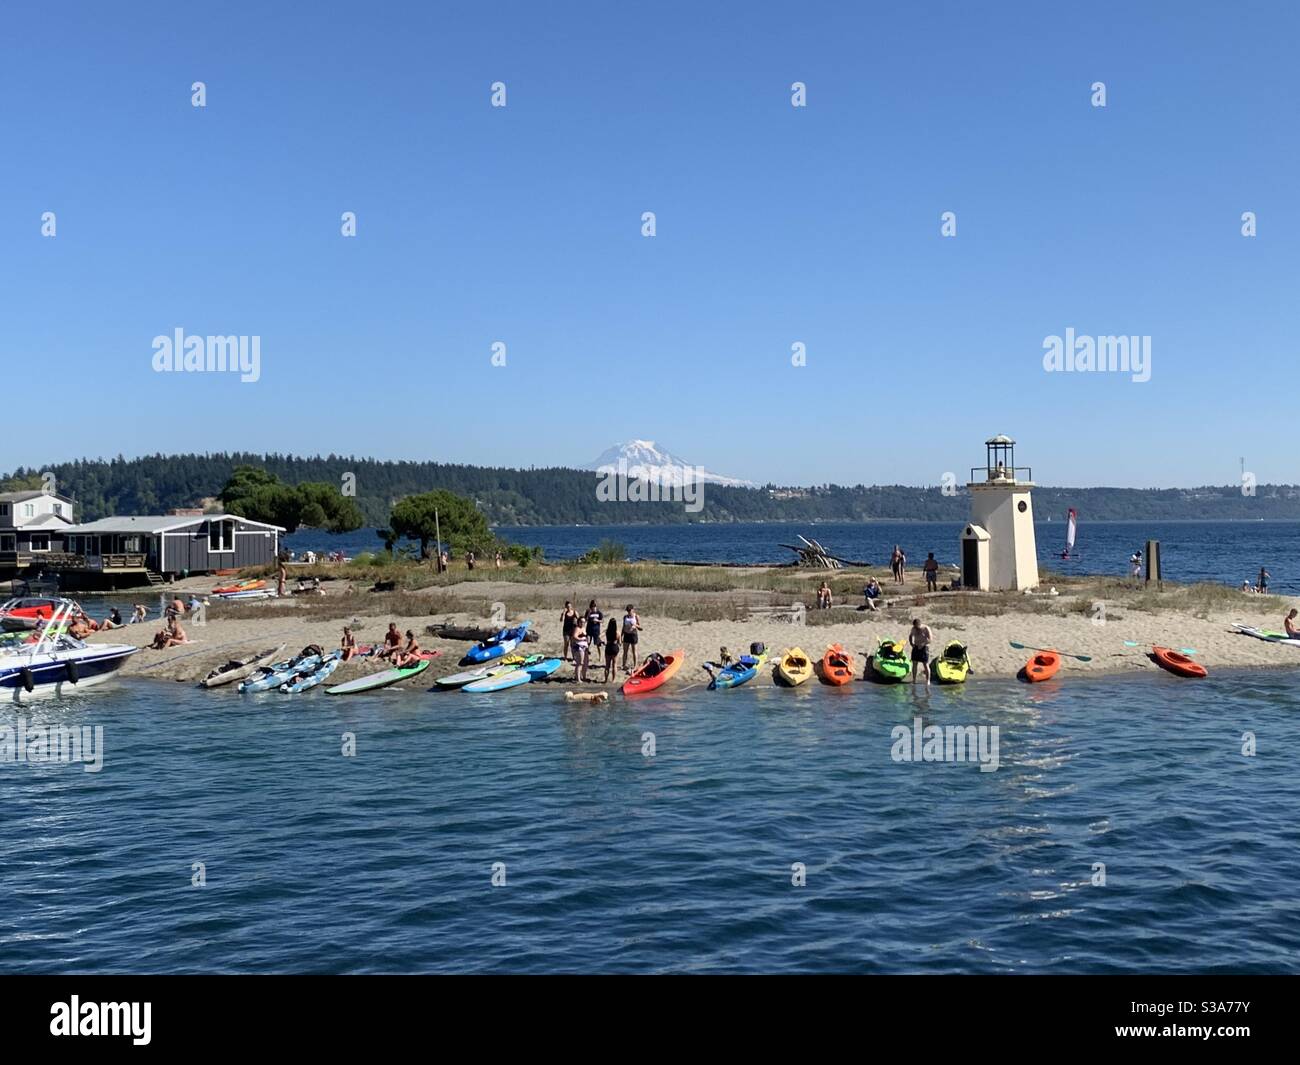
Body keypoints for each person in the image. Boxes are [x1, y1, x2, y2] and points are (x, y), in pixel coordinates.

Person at [908, 617, 932, 688]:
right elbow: (910, 636)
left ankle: (928, 680)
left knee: (925, 664)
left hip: (924, 647)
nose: (916, 628)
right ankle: (914, 679)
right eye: (915, 626)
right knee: (914, 663)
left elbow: (930, 639)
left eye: (917, 626)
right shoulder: (913, 629)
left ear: (919, 624)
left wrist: (923, 644)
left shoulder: (926, 628)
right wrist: (911, 643)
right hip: (916, 646)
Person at [621, 604, 641, 672]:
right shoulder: (625, 617)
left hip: (633, 635)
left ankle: (635, 665)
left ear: (633, 610)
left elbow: (641, 628)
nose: (629, 612)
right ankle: (624, 665)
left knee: (634, 651)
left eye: (630, 610)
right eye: (627, 611)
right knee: (625, 651)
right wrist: (621, 636)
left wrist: (635, 626)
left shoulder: (636, 616)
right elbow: (623, 627)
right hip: (626, 635)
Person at [603, 617, 620, 682]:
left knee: (607, 665)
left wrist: (603, 642)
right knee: (614, 664)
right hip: (614, 647)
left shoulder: (607, 631)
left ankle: (606, 679)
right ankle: (613, 680)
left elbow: (599, 637)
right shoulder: (617, 632)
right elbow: (619, 642)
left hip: (608, 647)